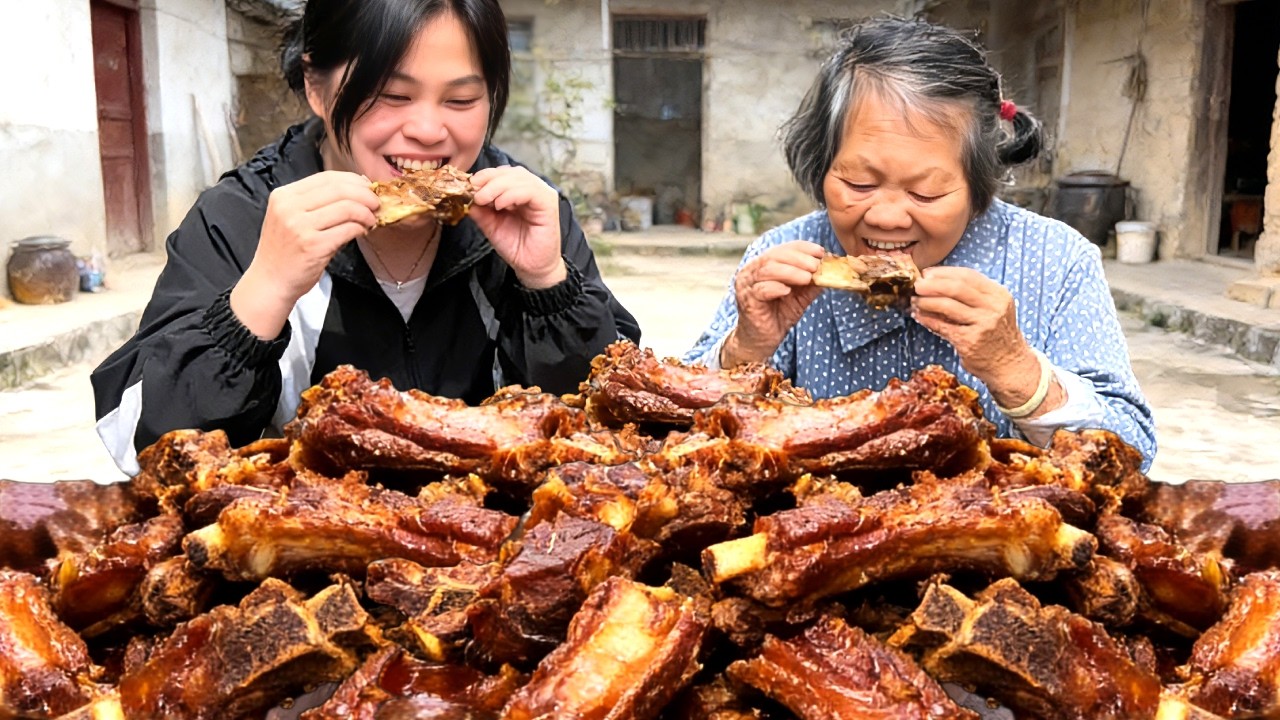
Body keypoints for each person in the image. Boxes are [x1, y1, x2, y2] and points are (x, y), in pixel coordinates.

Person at [92, 0, 639, 475]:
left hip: (487, 542)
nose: (428, 131)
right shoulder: (241, 217)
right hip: (297, 544)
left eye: (461, 100)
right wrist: (262, 294)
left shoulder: (525, 210)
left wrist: (548, 285)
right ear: (316, 86)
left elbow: (617, 429)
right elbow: (138, 446)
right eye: (391, 95)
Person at [685, 17, 1155, 469]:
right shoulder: (783, 258)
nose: (886, 217)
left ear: (978, 189)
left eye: (925, 193)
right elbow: (676, 433)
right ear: (822, 165)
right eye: (859, 184)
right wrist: (745, 348)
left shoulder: (1056, 260)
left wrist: (1018, 370)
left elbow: (1132, 455)